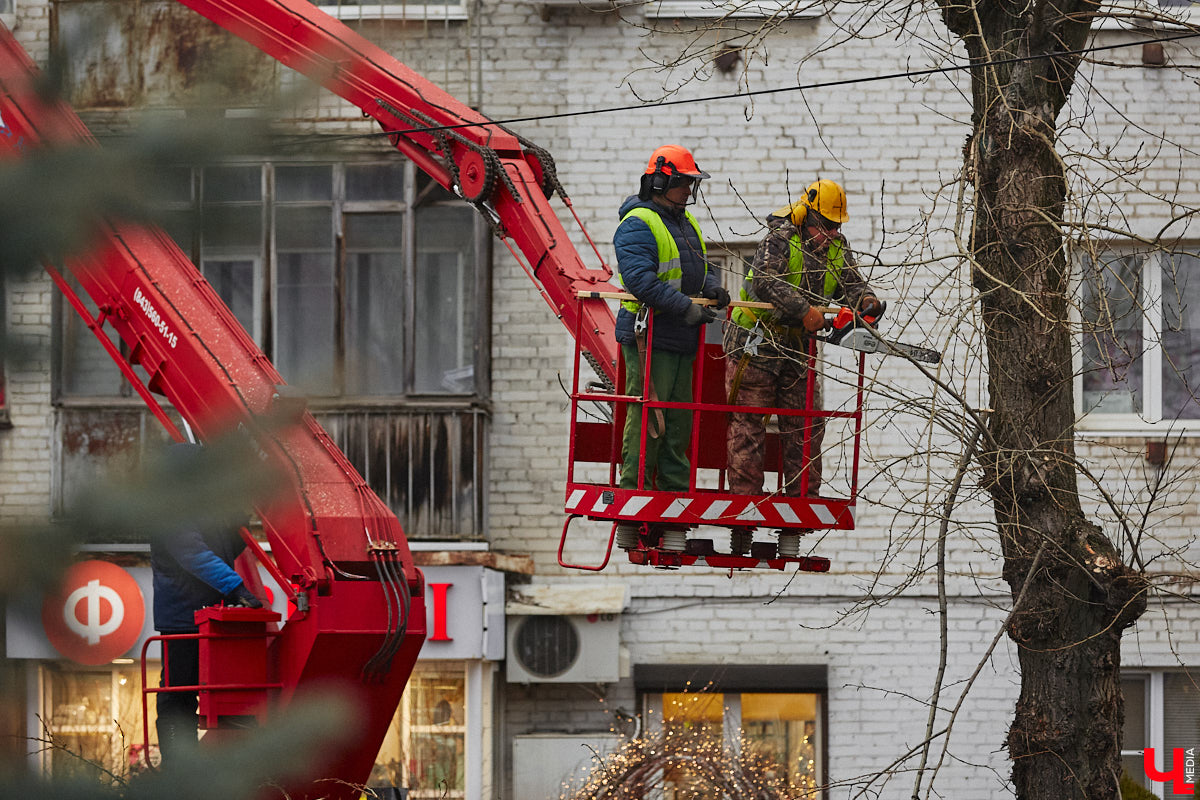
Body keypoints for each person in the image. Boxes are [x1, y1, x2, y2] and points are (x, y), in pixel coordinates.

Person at [723, 179, 882, 555]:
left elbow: (852, 285)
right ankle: (746, 514)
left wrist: (869, 303)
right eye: (826, 225)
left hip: (794, 348)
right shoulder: (779, 238)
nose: (831, 233)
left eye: (836, 226)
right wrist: (803, 311)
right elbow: (764, 281)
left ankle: (800, 506)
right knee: (750, 424)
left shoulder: (836, 248)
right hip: (756, 343)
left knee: (805, 423)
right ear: (806, 215)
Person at [612, 144, 730, 550]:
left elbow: (697, 268)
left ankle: (675, 496)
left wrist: (712, 289)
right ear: (661, 181)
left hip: (678, 335)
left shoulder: (685, 223)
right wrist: (686, 308)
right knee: (649, 417)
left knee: (678, 422)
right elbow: (640, 281)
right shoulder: (638, 224)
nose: (689, 191)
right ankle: (635, 493)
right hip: (650, 337)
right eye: (684, 183)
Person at [150, 441, 263, 762]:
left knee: (216, 694)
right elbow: (193, 554)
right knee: (179, 694)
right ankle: (179, 768)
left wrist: (235, 533)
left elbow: (218, 553)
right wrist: (236, 587)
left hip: (208, 614)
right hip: (185, 617)